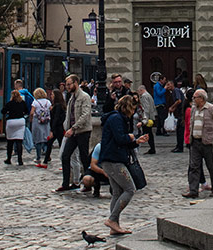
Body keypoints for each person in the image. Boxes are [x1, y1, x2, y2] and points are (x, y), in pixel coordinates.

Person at [99, 94, 147, 235]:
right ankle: (112, 219)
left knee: (117, 192)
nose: (133, 112)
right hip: (114, 160)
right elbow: (120, 139)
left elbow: (121, 140)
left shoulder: (119, 118)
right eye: (132, 108)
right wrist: (130, 137)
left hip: (112, 159)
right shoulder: (116, 119)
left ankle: (115, 226)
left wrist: (136, 141)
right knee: (130, 189)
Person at [184, 88, 213, 198]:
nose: (193, 99)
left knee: (211, 166)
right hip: (195, 142)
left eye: (195, 98)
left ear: (201, 98)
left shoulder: (211, 109)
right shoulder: (193, 109)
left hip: (207, 142)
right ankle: (193, 190)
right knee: (194, 166)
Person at [55, 75, 93, 192]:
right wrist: (67, 128)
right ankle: (66, 183)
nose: (67, 87)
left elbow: (85, 115)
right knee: (65, 156)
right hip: (72, 132)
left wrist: (74, 128)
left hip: (82, 131)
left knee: (84, 158)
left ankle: (88, 184)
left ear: (76, 83)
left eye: (69, 84)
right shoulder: (72, 98)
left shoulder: (84, 97)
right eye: (67, 85)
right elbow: (69, 115)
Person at [1, 89, 29, 165]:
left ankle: (8, 159)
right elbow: (26, 111)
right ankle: (20, 160)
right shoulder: (22, 103)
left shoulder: (9, 103)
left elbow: (3, 111)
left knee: (10, 142)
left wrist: (8, 112)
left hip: (11, 122)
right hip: (20, 121)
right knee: (19, 141)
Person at [29, 88, 53, 167]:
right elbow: (51, 110)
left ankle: (38, 157)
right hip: (46, 122)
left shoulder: (35, 102)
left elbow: (32, 112)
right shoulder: (48, 102)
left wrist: (31, 119)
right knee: (46, 138)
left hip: (37, 121)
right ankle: (47, 154)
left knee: (38, 139)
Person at [46, 85, 66, 165]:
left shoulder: (57, 106)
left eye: (52, 95)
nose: (51, 96)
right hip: (58, 127)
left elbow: (56, 118)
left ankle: (63, 162)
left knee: (60, 145)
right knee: (51, 143)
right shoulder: (58, 105)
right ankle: (46, 159)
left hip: (57, 128)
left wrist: (52, 130)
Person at [139, 82, 158, 153]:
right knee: (149, 133)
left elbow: (146, 108)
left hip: (148, 118)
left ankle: (152, 148)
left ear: (141, 90)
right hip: (151, 116)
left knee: (148, 133)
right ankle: (152, 148)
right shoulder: (148, 95)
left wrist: (145, 119)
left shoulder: (144, 96)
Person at [150, 72, 169, 137]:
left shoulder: (159, 86)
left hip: (161, 103)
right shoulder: (157, 86)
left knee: (160, 118)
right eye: (164, 80)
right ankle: (163, 130)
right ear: (161, 80)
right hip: (159, 103)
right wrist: (165, 89)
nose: (165, 81)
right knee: (162, 118)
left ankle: (158, 130)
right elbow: (159, 93)